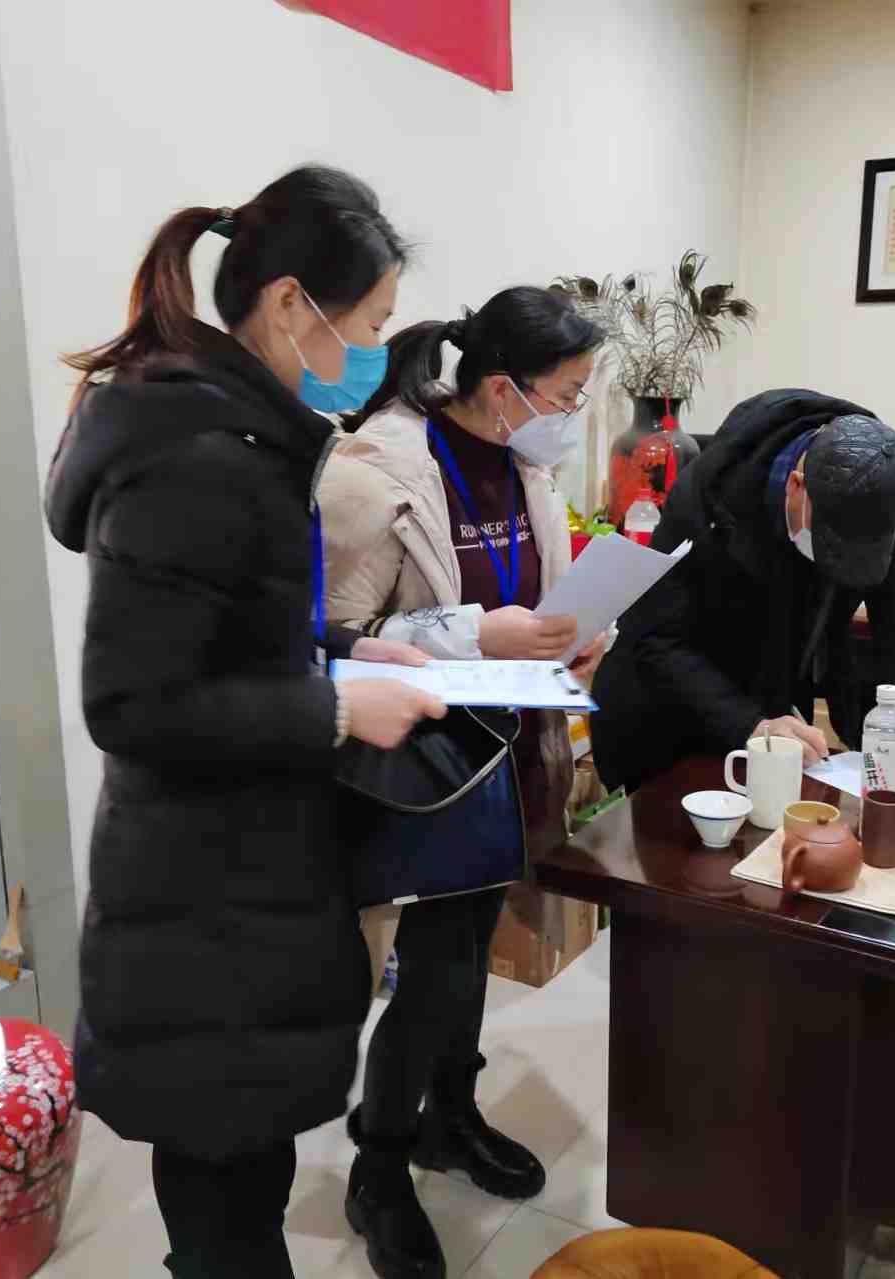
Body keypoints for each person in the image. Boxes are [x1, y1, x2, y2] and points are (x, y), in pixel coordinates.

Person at [44, 166, 447, 1279]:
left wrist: (345, 650)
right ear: (288, 305)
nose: (375, 351)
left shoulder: (242, 437)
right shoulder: (197, 455)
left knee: (243, 1168)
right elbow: (131, 700)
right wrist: (335, 705)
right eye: (371, 324)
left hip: (237, 882)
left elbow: (223, 636)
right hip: (199, 901)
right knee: (223, 1194)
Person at [318, 285, 604, 1279]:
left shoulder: (525, 465)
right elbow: (338, 640)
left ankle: (451, 1114)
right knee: (437, 965)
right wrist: (479, 634)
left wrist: (580, 636)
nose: (572, 413)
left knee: (471, 949)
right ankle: (379, 1163)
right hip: (432, 762)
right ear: (502, 387)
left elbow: (542, 601)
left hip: (512, 745)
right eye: (564, 393)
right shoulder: (380, 473)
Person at [590, 388, 895, 794]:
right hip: (669, 715)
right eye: (828, 540)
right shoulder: (709, 494)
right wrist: (749, 723)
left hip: (771, 708)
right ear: (796, 485)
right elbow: (655, 636)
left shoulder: (883, 493)